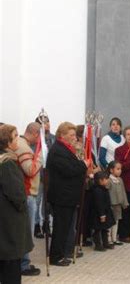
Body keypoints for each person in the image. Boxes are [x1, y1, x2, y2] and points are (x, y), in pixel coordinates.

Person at [46, 122, 88, 266]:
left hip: (68, 196)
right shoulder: (58, 150)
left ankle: (62, 253)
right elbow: (69, 170)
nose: (74, 138)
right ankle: (56, 256)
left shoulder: (66, 149)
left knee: (65, 226)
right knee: (60, 227)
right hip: (61, 196)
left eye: (74, 135)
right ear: (62, 135)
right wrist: (84, 165)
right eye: (71, 135)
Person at [0, 124, 34, 284]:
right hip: (10, 222)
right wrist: (22, 206)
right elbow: (16, 194)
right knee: (11, 268)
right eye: (15, 136)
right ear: (8, 141)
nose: (18, 139)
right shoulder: (7, 163)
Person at [14, 122, 42, 276]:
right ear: (36, 134)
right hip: (26, 193)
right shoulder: (23, 147)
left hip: (26, 192)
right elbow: (30, 170)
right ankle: (23, 265)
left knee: (25, 231)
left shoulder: (21, 144)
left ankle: (24, 263)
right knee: (26, 232)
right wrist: (40, 159)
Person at [33, 114, 54, 239]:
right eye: (43, 122)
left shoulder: (53, 138)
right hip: (38, 174)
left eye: (48, 121)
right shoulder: (35, 139)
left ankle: (47, 224)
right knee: (37, 201)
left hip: (50, 175)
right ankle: (36, 225)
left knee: (48, 202)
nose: (46, 124)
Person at [90, 171, 115, 251]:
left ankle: (105, 243)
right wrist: (102, 215)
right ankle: (98, 245)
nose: (107, 180)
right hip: (99, 214)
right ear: (100, 180)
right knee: (98, 230)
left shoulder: (103, 189)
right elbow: (99, 204)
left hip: (105, 212)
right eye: (106, 179)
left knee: (105, 228)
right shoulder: (97, 191)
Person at [107, 161, 129, 246]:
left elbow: (123, 192)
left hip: (118, 205)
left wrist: (125, 202)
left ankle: (114, 238)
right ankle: (108, 239)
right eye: (118, 169)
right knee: (109, 222)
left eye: (120, 169)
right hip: (111, 204)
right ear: (111, 170)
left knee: (116, 221)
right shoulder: (109, 180)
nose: (120, 171)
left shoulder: (120, 180)